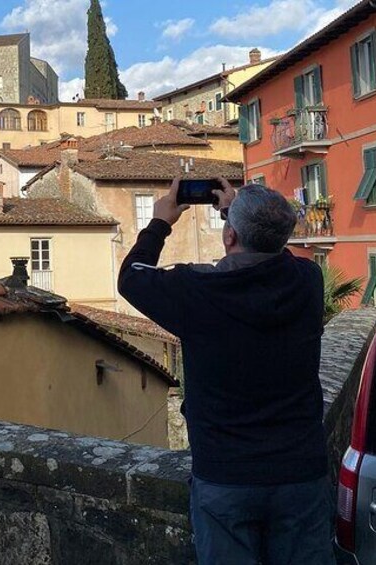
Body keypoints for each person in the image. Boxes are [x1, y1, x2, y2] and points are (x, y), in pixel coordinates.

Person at [118, 179, 334, 565]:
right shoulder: (307, 281)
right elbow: (273, 252)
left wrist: (160, 223)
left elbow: (132, 276)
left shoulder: (197, 290)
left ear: (229, 235)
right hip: (301, 470)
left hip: (225, 474)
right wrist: (239, 216)